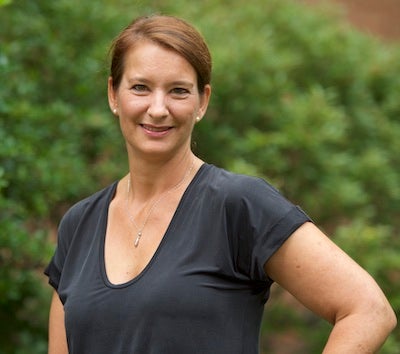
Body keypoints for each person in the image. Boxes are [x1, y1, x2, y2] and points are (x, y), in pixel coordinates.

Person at [45, 14, 396, 354]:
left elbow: (368, 311)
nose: (157, 108)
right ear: (113, 94)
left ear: (203, 102)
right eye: (140, 87)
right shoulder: (79, 225)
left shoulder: (238, 205)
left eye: (179, 91)